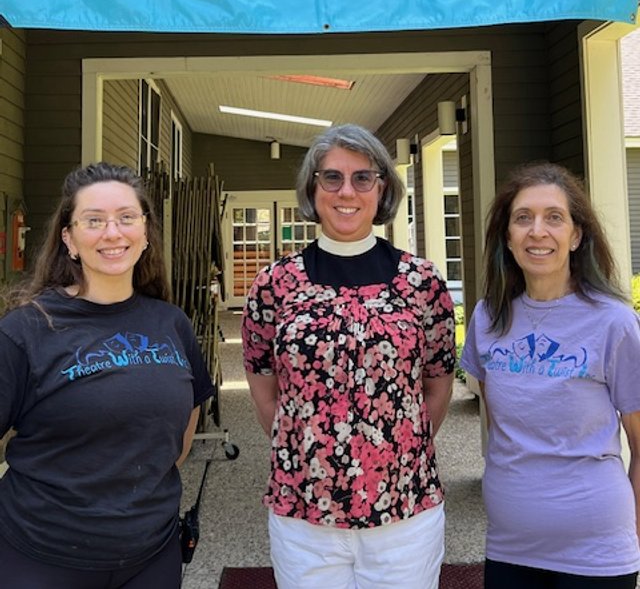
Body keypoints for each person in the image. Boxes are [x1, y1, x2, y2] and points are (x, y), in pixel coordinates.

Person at [242, 123, 456, 589]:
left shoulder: (422, 282)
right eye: (331, 177)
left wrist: (394, 450)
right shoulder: (274, 284)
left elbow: (437, 383)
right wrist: (308, 449)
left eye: (363, 178)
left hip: (405, 512)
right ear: (312, 187)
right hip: (304, 514)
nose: (347, 191)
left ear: (382, 189)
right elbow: (263, 384)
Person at [0, 162, 214, 589]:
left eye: (126, 217)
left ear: (146, 232)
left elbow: (181, 432)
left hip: (151, 554)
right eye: (94, 220)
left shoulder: (171, 323)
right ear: (69, 238)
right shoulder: (26, 330)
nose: (112, 233)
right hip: (42, 554)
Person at [461, 161, 640, 589]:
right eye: (523, 218)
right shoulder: (488, 318)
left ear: (576, 235)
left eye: (554, 218)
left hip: (597, 553)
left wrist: (634, 535)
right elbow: (499, 425)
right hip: (508, 547)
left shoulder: (614, 323)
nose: (537, 231)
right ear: (507, 235)